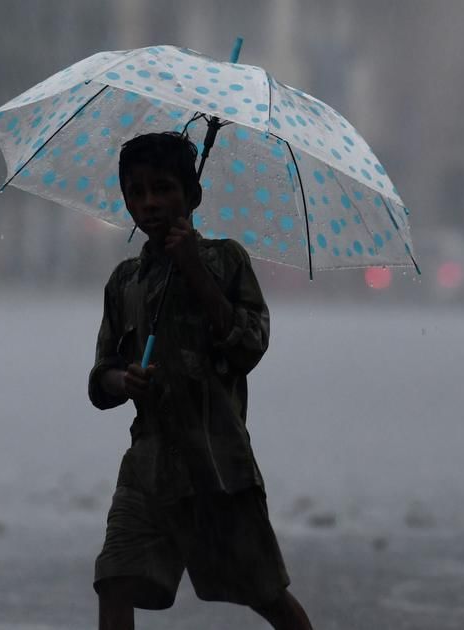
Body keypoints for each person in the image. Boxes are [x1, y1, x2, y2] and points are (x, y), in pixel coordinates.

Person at [89, 132, 311, 630]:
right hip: (147, 468)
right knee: (115, 580)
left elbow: (248, 344)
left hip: (217, 467)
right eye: (137, 192)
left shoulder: (226, 261)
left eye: (163, 188)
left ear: (192, 195)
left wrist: (194, 272)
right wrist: (125, 381)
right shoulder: (125, 282)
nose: (150, 203)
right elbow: (101, 376)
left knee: (266, 594)